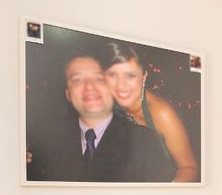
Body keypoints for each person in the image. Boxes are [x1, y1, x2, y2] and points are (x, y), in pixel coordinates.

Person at [27, 55, 174, 183]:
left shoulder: (144, 143)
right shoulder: (45, 146)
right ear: (68, 95)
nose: (89, 86)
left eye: (99, 78)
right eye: (77, 80)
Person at [102, 42, 199, 182]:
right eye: (113, 75)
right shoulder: (107, 106)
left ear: (144, 76)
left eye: (130, 75)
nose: (121, 85)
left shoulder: (162, 114)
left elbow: (189, 168)